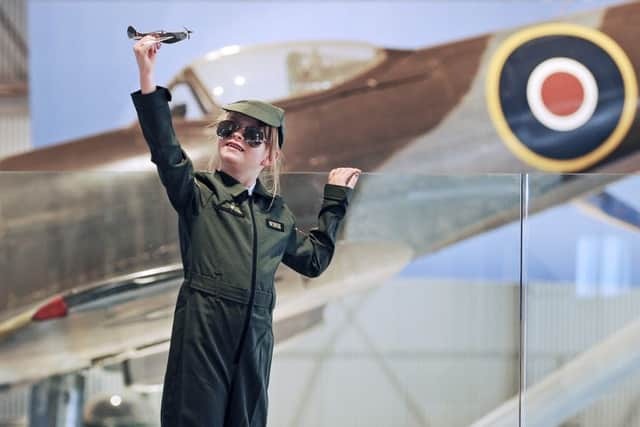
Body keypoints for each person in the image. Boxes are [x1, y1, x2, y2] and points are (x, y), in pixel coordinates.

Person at [131, 36, 361, 427]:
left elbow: (315, 260)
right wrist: (147, 76)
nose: (238, 135)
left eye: (254, 135)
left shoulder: (276, 214)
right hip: (203, 327)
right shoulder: (198, 193)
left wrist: (335, 201)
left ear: (268, 155)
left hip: (255, 334)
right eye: (230, 128)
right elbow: (165, 150)